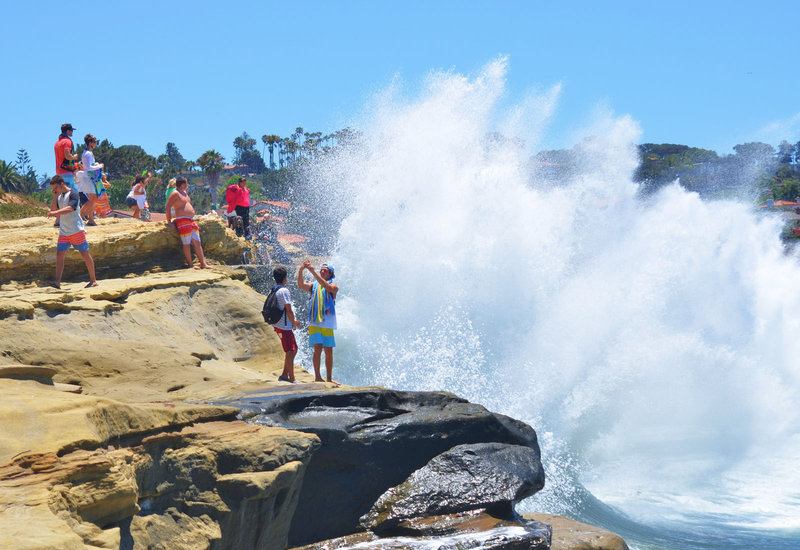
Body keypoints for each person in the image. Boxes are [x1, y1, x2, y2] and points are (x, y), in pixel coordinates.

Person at [45, 175, 98, 289]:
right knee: (60, 255)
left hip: (76, 230)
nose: (55, 190)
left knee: (85, 254)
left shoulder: (73, 193)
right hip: (64, 231)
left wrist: (54, 214)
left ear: (62, 184)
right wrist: (54, 197)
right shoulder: (59, 196)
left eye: (55, 188)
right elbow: (54, 209)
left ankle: (93, 280)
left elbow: (70, 208)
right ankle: (57, 282)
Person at [297, 260, 339, 383]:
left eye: (325, 271)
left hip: (327, 322)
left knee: (328, 350)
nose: (322, 271)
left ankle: (329, 378)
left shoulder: (334, 287)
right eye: (321, 269)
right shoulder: (313, 285)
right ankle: (318, 377)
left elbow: (326, 286)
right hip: (315, 321)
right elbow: (300, 285)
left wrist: (312, 271)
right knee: (317, 348)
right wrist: (301, 270)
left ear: (330, 274)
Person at [165, 177, 211, 269]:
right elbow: (168, 207)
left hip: (191, 219)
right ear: (183, 184)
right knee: (186, 243)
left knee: (197, 242)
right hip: (182, 219)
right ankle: (190, 265)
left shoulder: (185, 193)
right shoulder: (175, 193)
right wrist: (169, 221)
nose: (188, 185)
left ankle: (203, 263)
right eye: (187, 183)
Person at [272, 266, 302, 383]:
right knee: (290, 351)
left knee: (294, 349)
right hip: (284, 326)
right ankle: (292, 379)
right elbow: (289, 310)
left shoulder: (274, 289)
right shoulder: (284, 291)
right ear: (285, 278)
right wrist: (293, 322)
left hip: (279, 325)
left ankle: (285, 374)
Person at [78, 134, 103, 226]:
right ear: (91, 143)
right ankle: (91, 219)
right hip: (88, 178)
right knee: (93, 199)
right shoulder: (88, 153)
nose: (96, 144)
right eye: (95, 142)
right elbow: (88, 167)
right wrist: (99, 166)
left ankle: (82, 213)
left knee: (94, 198)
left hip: (88, 178)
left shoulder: (86, 153)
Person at [54, 123, 79, 193]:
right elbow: (67, 156)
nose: (72, 132)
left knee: (63, 195)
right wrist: (74, 157)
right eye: (71, 130)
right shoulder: (67, 141)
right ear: (68, 131)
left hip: (59, 172)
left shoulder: (57, 143)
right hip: (67, 173)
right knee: (74, 195)